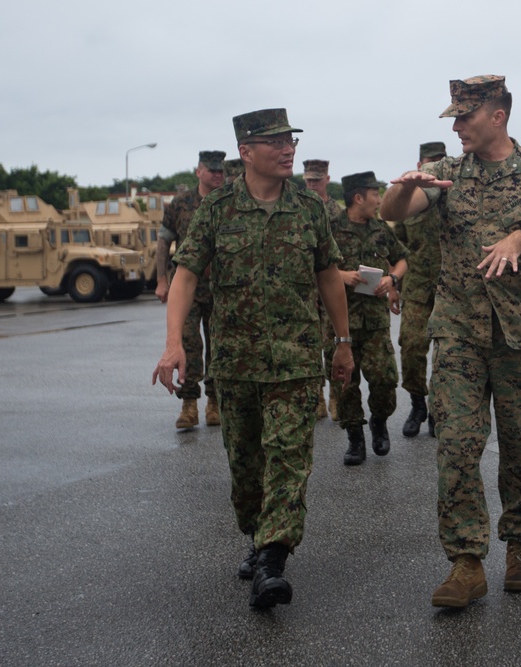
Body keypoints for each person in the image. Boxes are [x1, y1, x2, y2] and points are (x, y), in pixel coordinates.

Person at [380, 75, 521, 609]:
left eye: (465, 117)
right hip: (458, 334)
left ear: (497, 115)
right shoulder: (446, 174)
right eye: (453, 117)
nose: (456, 126)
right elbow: (392, 212)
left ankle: (519, 548)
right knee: (456, 445)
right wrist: (404, 185)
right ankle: (466, 561)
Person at [152, 108, 353, 609]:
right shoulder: (217, 209)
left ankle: (273, 559)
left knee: (289, 462)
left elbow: (328, 274)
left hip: (297, 362)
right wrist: (174, 341)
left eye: (291, 140)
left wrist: (344, 342)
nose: (288, 149)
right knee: (246, 468)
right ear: (246, 152)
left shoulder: (309, 209)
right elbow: (186, 275)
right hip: (236, 363)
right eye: (276, 142)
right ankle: (257, 533)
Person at [331, 171, 408, 465]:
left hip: (375, 322)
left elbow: (401, 259)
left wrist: (392, 279)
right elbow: (312, 267)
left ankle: (379, 421)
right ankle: (355, 438)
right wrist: (340, 276)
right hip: (342, 322)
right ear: (358, 198)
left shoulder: (380, 229)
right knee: (345, 383)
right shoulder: (331, 229)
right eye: (375, 194)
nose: (379, 200)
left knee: (385, 379)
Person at [155, 150, 226, 429]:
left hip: (221, 288)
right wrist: (161, 280)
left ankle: (216, 402)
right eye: (212, 171)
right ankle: (188, 404)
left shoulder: (229, 202)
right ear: (199, 172)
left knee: (219, 346)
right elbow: (164, 243)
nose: (218, 175)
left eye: (221, 171)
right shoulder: (181, 203)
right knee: (187, 344)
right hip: (188, 289)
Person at [393, 142, 447, 439]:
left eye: (437, 162)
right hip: (414, 288)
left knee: (445, 355)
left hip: (449, 290)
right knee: (411, 347)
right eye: (427, 163)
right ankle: (417, 404)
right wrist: (393, 286)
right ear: (418, 164)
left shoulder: (455, 198)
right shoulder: (409, 202)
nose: (431, 168)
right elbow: (397, 249)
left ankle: (438, 409)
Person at [303, 159, 345, 422]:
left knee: (332, 345)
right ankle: (316, 397)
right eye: (308, 180)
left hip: (329, 285)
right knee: (309, 345)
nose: (312, 185)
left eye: (317, 180)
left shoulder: (337, 212)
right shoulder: (299, 208)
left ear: (327, 179)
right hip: (307, 290)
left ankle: (335, 396)